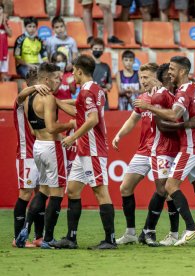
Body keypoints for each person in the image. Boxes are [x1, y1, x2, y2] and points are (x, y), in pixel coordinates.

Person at [135, 56, 195, 246]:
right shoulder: (193, 87)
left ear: (182, 71)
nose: (170, 73)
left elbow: (174, 114)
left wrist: (148, 106)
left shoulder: (182, 91)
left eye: (173, 69)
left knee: (169, 186)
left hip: (191, 146)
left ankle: (191, 228)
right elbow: (189, 112)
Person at [52, 54, 116, 250]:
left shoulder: (87, 92)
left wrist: (72, 137)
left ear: (79, 71)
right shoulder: (95, 90)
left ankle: (110, 240)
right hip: (84, 150)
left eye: (73, 71)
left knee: (100, 191)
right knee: (72, 190)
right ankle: (71, 238)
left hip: (93, 150)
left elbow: (92, 119)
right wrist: (57, 101)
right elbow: (79, 109)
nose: (72, 75)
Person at [15, 63, 75, 249]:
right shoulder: (48, 97)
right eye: (57, 78)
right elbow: (51, 127)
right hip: (52, 146)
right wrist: (70, 125)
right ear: (46, 79)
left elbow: (34, 130)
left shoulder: (28, 100)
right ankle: (48, 238)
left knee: (43, 191)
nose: (60, 81)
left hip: (38, 147)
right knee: (56, 193)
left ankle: (24, 229)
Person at [113, 63, 159, 245]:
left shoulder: (165, 97)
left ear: (156, 77)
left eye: (146, 77)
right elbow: (133, 120)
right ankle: (130, 232)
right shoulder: (142, 98)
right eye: (141, 77)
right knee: (125, 187)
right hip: (143, 150)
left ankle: (167, 232)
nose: (142, 81)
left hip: (162, 150)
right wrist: (119, 135)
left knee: (167, 191)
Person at [12, 70, 50, 248]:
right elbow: (20, 95)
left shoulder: (39, 102)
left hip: (38, 152)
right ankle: (17, 237)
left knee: (40, 193)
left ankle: (38, 236)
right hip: (25, 154)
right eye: (40, 84)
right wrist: (35, 87)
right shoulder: (22, 102)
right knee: (25, 194)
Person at [90, 38, 112, 110]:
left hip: (103, 101)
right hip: (90, 100)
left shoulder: (106, 66)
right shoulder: (87, 65)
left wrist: (108, 87)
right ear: (91, 49)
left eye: (100, 49)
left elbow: (109, 84)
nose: (98, 50)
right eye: (95, 48)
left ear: (103, 50)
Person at [0, 3, 12, 81]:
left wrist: (4, 23)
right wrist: (1, 18)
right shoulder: (2, 18)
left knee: (3, 65)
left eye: (0, 9)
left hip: (4, 48)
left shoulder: (5, 22)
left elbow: (10, 34)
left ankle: (3, 78)